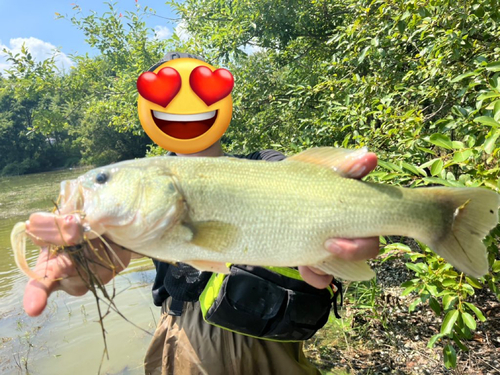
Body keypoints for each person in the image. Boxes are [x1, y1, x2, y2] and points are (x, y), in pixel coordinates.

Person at [23, 54, 380, 374]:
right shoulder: (146, 195)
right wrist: (84, 269)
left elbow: (321, 212)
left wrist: (329, 254)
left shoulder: (266, 166)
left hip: (273, 336)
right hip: (188, 342)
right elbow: (100, 264)